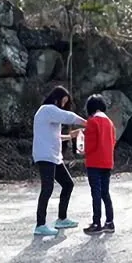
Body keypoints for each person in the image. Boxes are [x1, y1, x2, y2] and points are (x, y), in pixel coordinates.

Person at [32, 87, 86, 237]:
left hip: (53, 157)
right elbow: (68, 117)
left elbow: (55, 136)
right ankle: (40, 225)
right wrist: (87, 123)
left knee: (68, 184)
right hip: (45, 156)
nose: (63, 104)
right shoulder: (47, 109)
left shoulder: (49, 114)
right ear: (57, 98)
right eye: (63, 101)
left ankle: (62, 218)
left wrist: (70, 136)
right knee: (47, 188)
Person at [82, 95, 117, 235]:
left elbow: (89, 145)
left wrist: (82, 147)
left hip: (94, 162)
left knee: (95, 193)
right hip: (107, 162)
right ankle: (109, 222)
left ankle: (96, 222)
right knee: (105, 193)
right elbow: (113, 142)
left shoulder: (92, 122)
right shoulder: (110, 123)